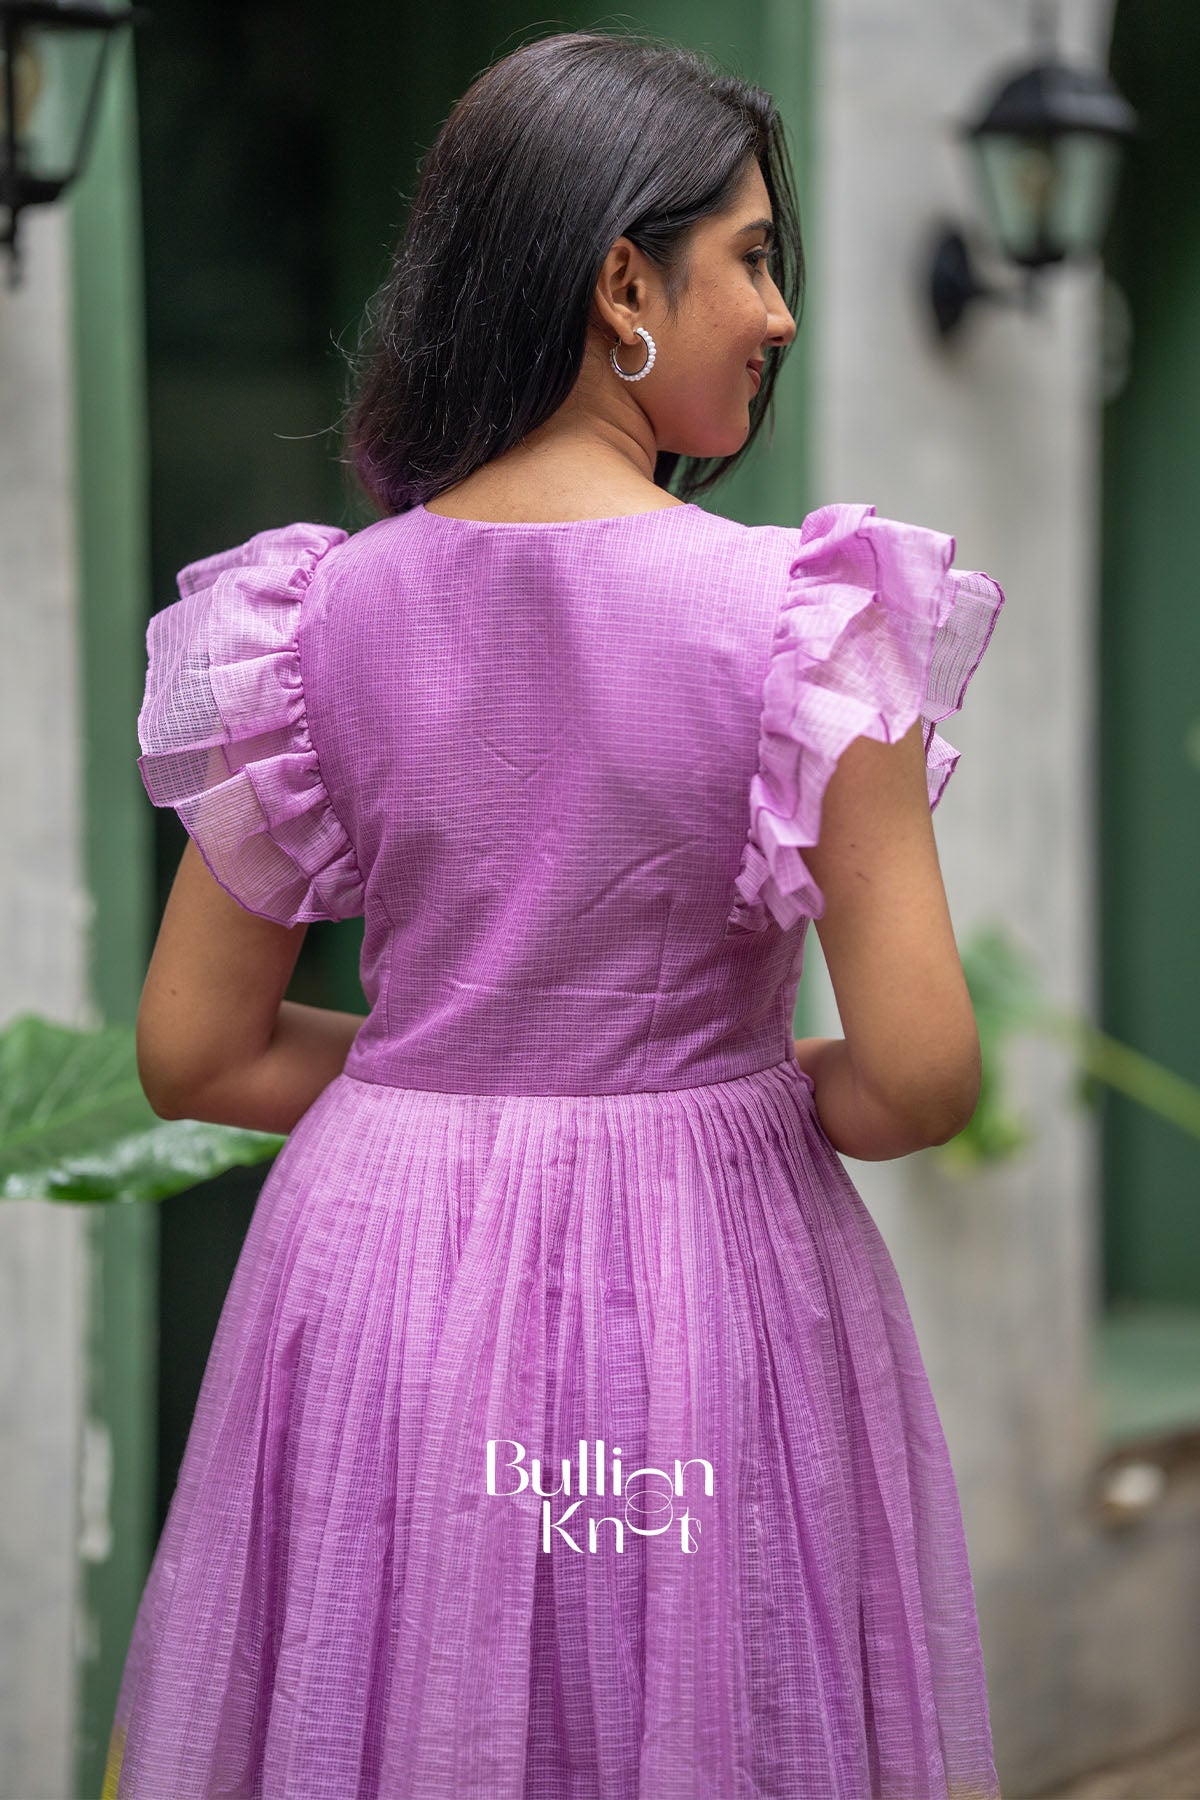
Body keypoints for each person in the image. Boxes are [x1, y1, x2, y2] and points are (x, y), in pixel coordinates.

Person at [104, 26, 1005, 1800]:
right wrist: (716, 1092)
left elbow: (194, 1054)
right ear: (621, 284)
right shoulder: (810, 626)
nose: (781, 313)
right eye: (753, 257)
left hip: (379, 1286)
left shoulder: (307, 623)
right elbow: (919, 1079)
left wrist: (462, 1077)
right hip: (704, 1288)